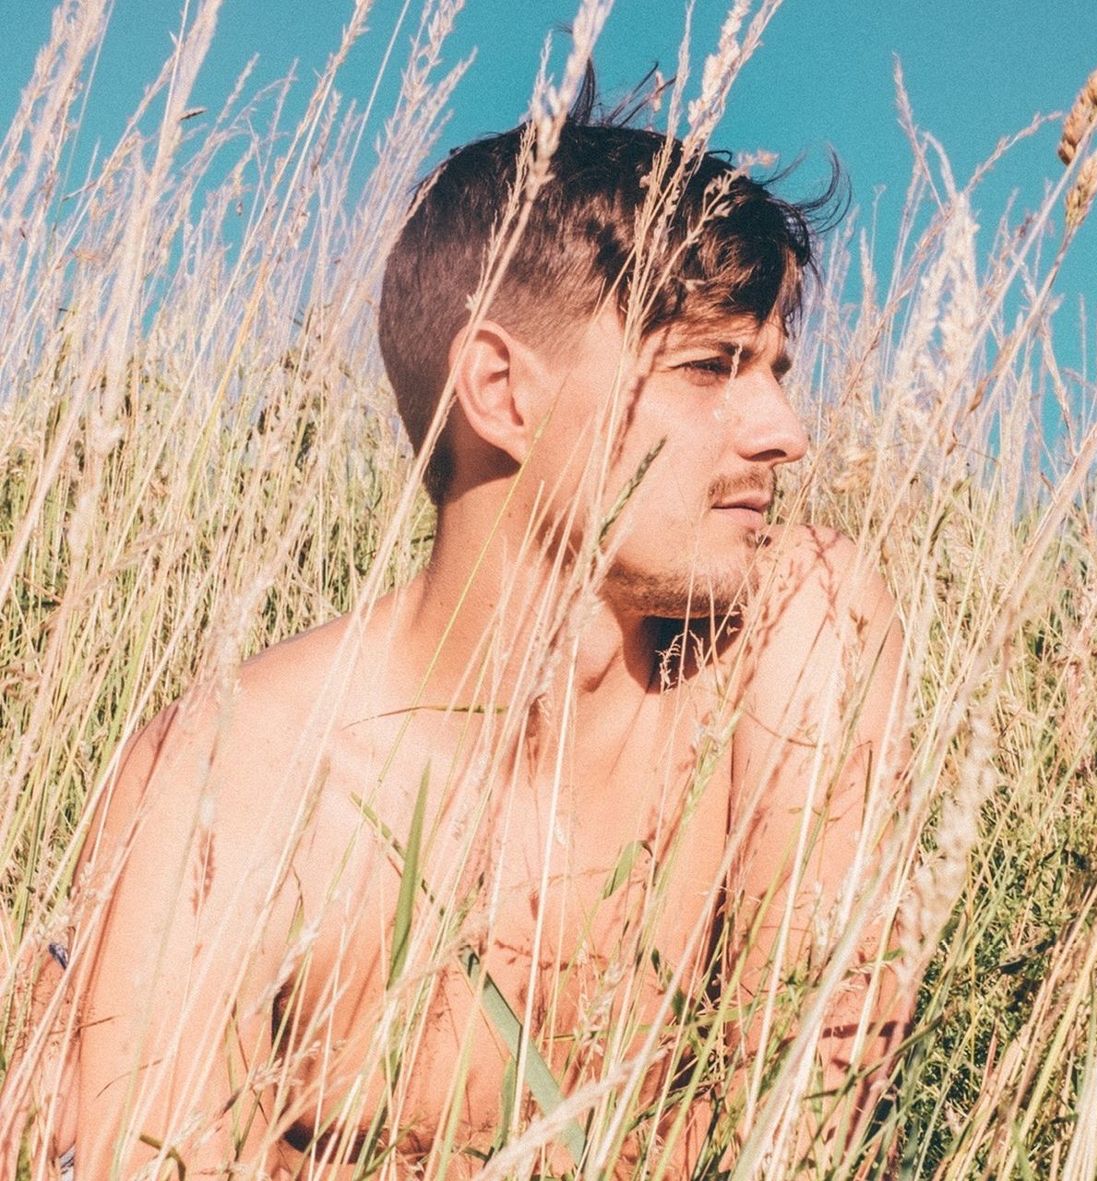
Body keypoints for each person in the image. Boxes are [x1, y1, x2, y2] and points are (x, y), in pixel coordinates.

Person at [4, 80, 908, 1179]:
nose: (783, 432)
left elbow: (801, 1108)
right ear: (499, 389)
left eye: (774, 368)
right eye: (709, 366)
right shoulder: (241, 780)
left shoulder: (792, 627)